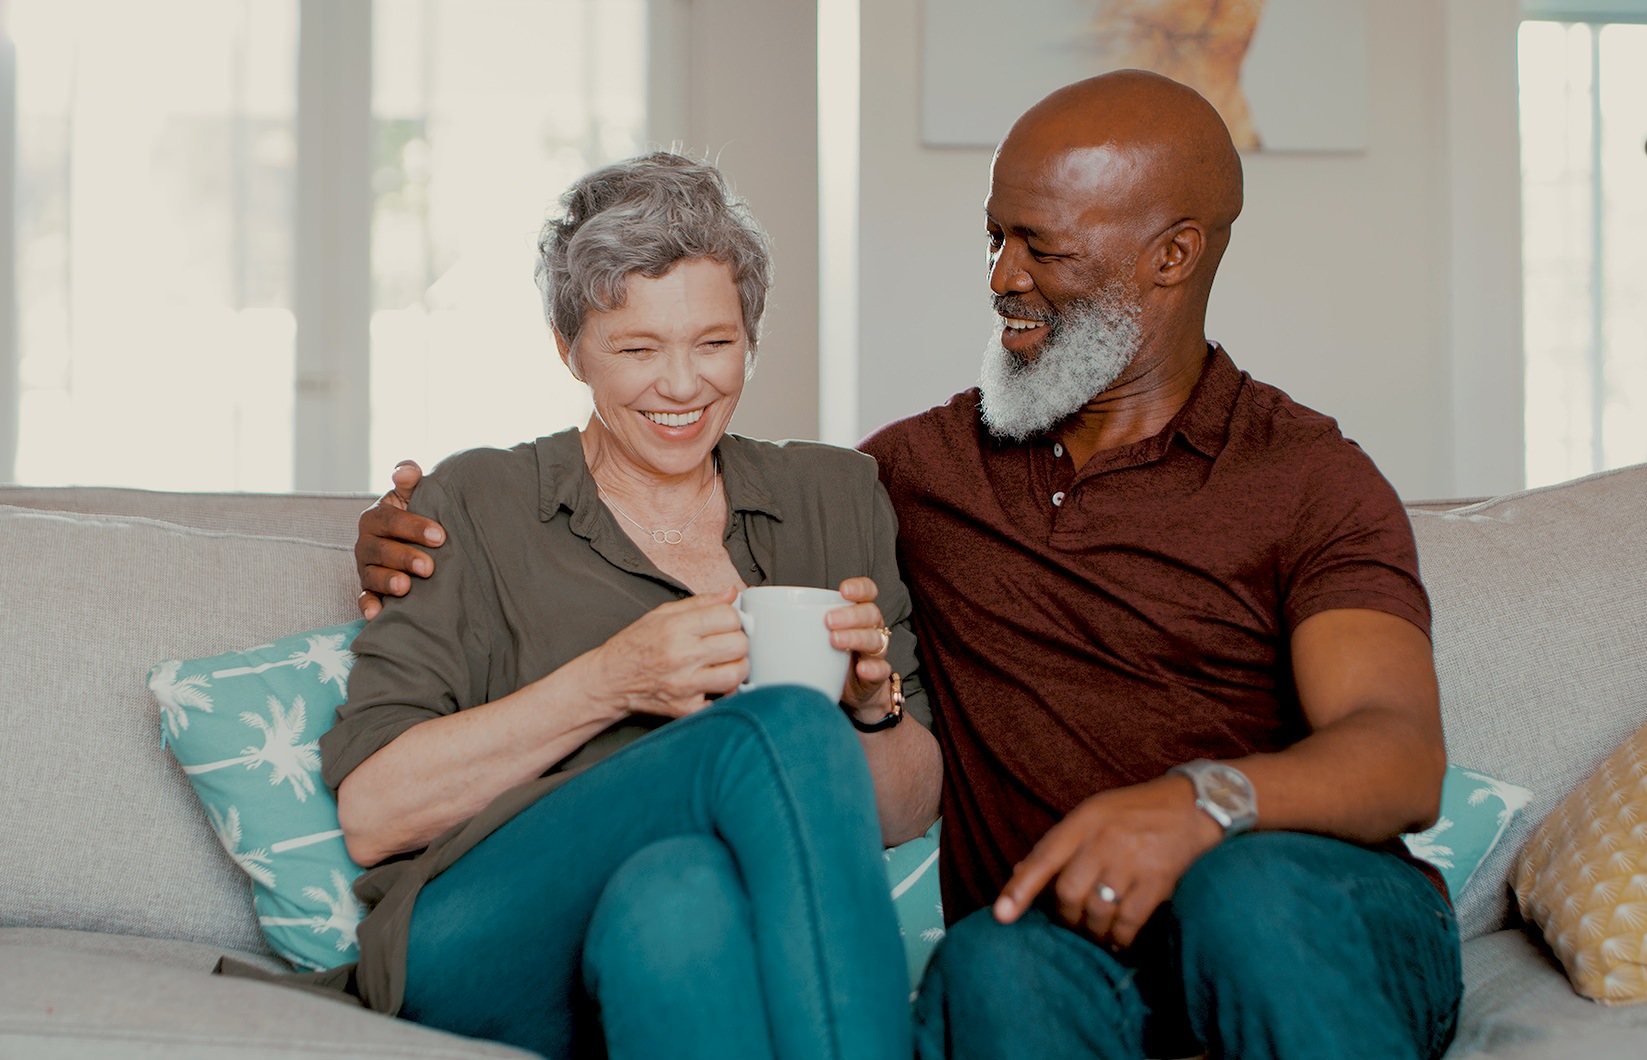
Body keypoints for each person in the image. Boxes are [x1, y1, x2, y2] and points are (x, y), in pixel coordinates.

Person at [358, 73, 1462, 1059]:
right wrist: (398, 539)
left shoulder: (1302, 474)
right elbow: (379, 797)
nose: (1002, 277)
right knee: (984, 958)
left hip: (1281, 896)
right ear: (573, 350)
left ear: (1171, 255)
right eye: (994, 237)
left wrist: (1197, 804)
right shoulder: (917, 472)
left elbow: (1401, 751)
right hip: (1051, 933)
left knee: (1241, 895)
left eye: (1042, 247)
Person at [326, 151, 940, 1060]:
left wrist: (870, 707)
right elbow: (374, 815)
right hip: (482, 936)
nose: (684, 386)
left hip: (681, 928)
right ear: (568, 346)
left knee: (678, 897)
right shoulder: (474, 502)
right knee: (784, 730)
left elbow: (903, 811)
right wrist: (613, 681)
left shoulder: (834, 496)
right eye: (637, 348)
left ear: (752, 335)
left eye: (715, 344)